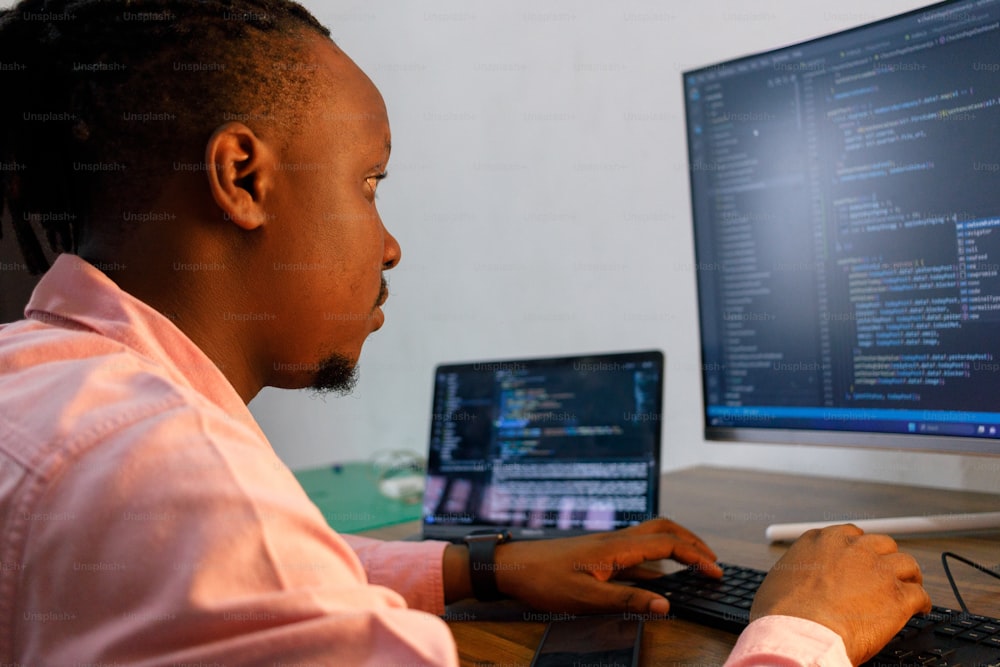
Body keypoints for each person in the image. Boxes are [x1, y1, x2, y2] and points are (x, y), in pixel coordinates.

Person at [0, 1, 931, 665]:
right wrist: (805, 630)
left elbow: (241, 568)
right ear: (242, 177)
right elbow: (227, 544)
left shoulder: (44, 386)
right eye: (371, 183)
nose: (391, 243)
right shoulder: (176, 476)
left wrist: (480, 566)